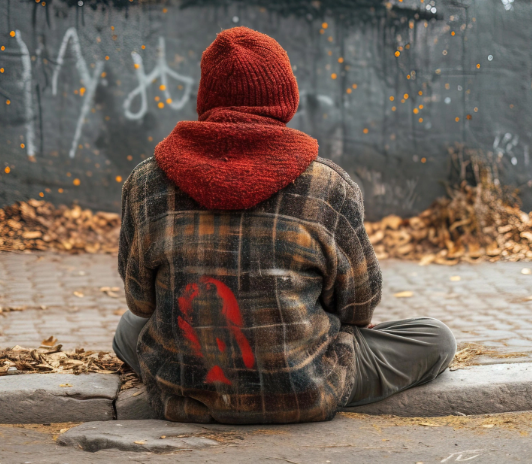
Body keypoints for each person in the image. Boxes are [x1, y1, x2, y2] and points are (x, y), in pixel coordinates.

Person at [113, 26, 456, 424]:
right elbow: (358, 306)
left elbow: (140, 302)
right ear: (286, 98)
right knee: (436, 338)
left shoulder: (146, 182)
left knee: (128, 329)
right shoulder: (329, 186)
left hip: (184, 390)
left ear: (205, 98)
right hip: (306, 387)